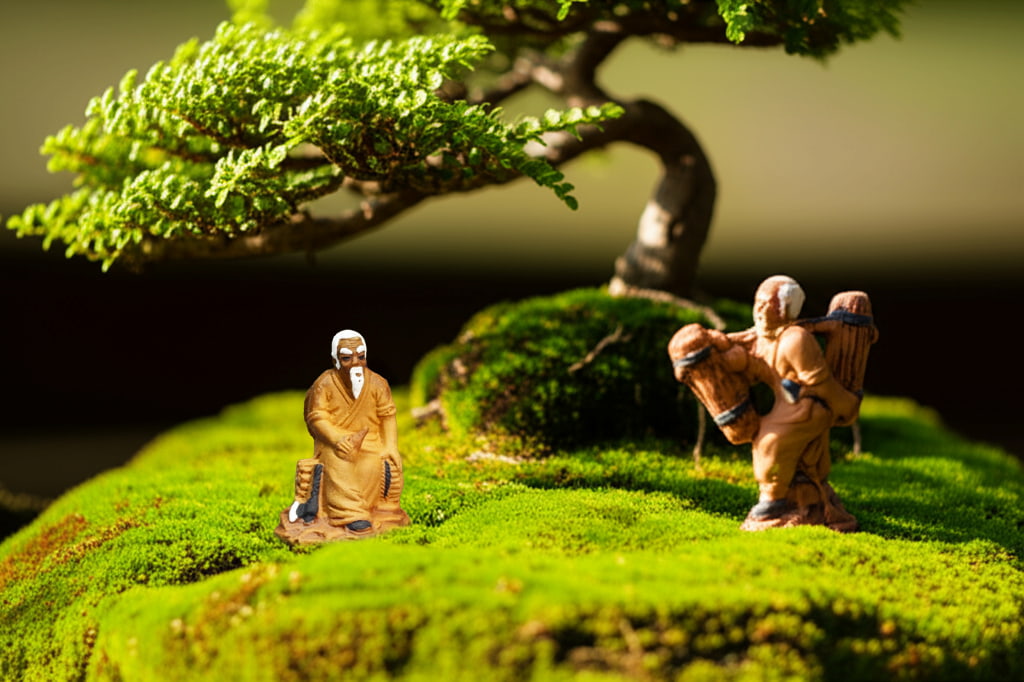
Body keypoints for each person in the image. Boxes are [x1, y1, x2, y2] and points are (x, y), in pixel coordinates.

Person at [741, 276, 860, 530]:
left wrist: (845, 405)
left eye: (768, 305)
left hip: (811, 407)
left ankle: (773, 504)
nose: (760, 311)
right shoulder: (762, 335)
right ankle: (792, 500)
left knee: (770, 440)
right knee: (775, 441)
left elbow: (821, 384)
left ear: (786, 309)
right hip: (787, 405)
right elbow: (742, 349)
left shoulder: (795, 339)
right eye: (758, 304)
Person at [276, 330, 409, 544]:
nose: (356, 362)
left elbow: (388, 415)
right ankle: (352, 515)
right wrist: (338, 439)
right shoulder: (325, 384)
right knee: (340, 460)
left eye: (361, 356)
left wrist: (391, 446)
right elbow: (317, 417)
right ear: (336, 360)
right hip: (334, 443)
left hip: (370, 442)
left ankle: (372, 509)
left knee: (375, 462)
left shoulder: (378, 383)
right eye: (347, 358)